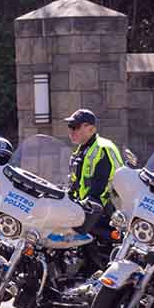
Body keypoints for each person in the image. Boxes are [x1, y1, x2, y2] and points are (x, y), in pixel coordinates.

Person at [64, 109, 124, 270]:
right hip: (86, 212)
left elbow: (106, 186)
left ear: (91, 128)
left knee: (101, 263)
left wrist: (87, 207)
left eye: (75, 126)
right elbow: (75, 184)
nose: (71, 131)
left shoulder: (103, 148)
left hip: (105, 214)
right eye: (70, 126)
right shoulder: (82, 150)